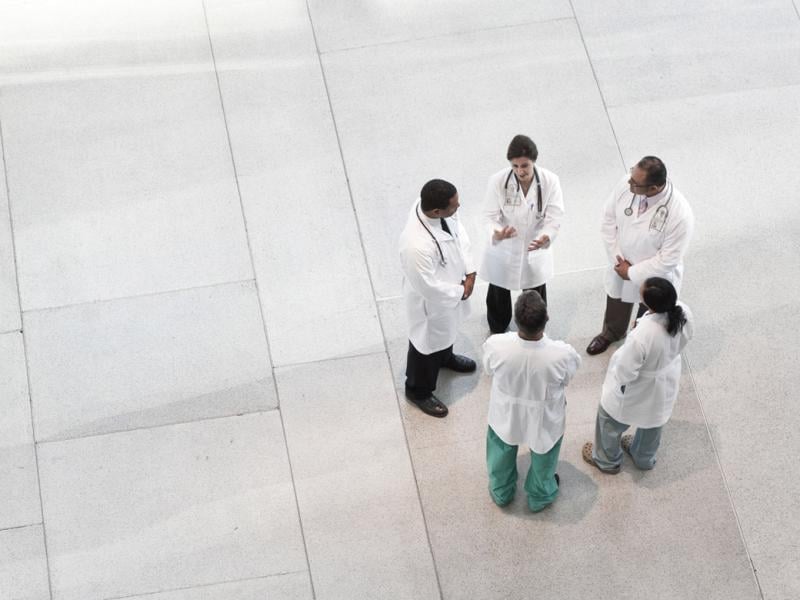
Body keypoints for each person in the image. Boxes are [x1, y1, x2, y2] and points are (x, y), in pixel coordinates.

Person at [582, 277, 694, 473]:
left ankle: (607, 460)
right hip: (666, 378)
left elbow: (625, 372)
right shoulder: (684, 312)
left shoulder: (642, 334)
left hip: (640, 384)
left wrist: (618, 384)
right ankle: (644, 457)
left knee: (608, 418)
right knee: (654, 420)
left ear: (647, 304)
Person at [483, 291, 581, 511]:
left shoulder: (496, 345)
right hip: (544, 416)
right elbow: (567, 379)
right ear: (546, 320)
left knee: (500, 450)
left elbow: (489, 369)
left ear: (516, 320)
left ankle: (501, 491)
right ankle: (539, 496)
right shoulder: (562, 354)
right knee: (545, 454)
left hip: (505, 412)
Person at [586, 156, 694, 355]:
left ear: (653, 188)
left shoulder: (680, 214)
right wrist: (617, 258)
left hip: (654, 276)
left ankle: (638, 346)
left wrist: (632, 272)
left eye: (634, 183)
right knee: (617, 300)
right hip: (621, 264)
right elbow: (608, 219)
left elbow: (668, 259)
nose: (628, 182)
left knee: (649, 317)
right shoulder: (627, 184)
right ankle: (611, 333)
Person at [399, 179, 477, 418]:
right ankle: (418, 390)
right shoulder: (416, 246)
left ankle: (445, 357)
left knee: (446, 332)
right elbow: (428, 287)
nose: (459, 206)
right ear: (435, 211)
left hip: (453, 286)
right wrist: (461, 291)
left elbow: (458, 232)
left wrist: (470, 271)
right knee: (426, 344)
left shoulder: (438, 211)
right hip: (431, 303)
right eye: (454, 205)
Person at [478, 134, 565, 333]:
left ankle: (534, 330)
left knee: (535, 294)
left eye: (524, 166)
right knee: (498, 292)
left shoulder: (550, 181)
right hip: (504, 247)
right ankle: (497, 330)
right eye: (515, 166)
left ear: (534, 161)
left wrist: (546, 236)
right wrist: (497, 232)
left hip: (534, 246)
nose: (520, 171)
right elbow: (488, 216)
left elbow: (555, 216)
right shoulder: (498, 181)